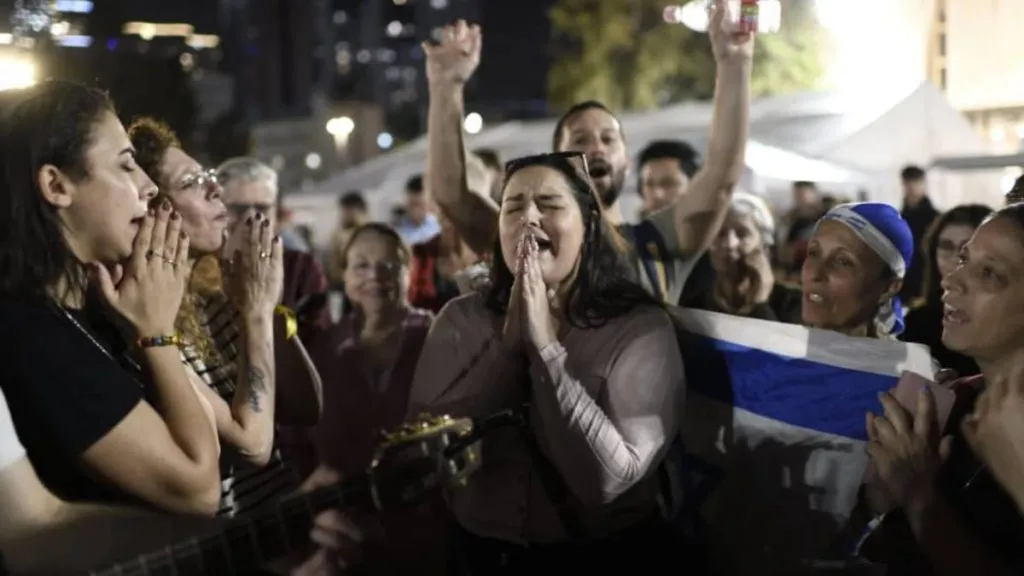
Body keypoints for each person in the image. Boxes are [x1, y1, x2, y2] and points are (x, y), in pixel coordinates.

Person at [407, 152, 683, 573]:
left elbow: (608, 482)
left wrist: (546, 351)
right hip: (481, 554)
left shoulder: (640, 328)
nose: (529, 218)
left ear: (588, 226)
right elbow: (421, 453)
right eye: (513, 208)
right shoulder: (461, 319)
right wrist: (506, 351)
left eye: (549, 205)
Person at [424, 2, 751, 305]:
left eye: (608, 139)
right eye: (580, 140)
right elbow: (452, 195)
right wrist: (445, 87)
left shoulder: (661, 243)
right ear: (556, 163)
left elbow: (721, 176)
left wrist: (734, 63)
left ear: (627, 161)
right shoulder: (528, 239)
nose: (596, 148)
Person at [0, 80, 221, 515]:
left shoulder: (94, 312)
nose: (149, 186)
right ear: (56, 185)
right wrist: (157, 334)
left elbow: (229, 445)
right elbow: (198, 490)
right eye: (126, 165)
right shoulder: (31, 335)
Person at [128, 121, 323, 518]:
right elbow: (251, 447)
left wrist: (271, 309)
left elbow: (306, 407)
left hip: (282, 524)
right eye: (191, 182)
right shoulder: (148, 322)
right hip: (229, 541)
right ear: (153, 210)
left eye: (208, 176)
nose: (215, 189)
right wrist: (256, 313)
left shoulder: (216, 296)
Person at [860, 203, 1024, 574]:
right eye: (963, 259)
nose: (951, 280)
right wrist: (882, 498)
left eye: (989, 273)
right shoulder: (949, 404)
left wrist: (920, 496)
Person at [289, 223, 447, 575]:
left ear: (409, 272)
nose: (375, 276)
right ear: (343, 275)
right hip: (340, 543)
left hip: (429, 543)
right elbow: (297, 445)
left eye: (389, 265)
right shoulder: (320, 351)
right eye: (361, 265)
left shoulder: (439, 335)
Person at [901, 204, 992, 378]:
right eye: (946, 246)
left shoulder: (1002, 317)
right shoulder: (917, 322)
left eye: (965, 249)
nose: (956, 257)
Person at [682, 191, 801, 323]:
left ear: (764, 245)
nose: (729, 244)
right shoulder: (694, 304)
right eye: (720, 234)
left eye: (742, 234)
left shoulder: (790, 303)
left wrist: (760, 303)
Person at [800, 202, 913, 338]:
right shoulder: (783, 342)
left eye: (842, 261)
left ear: (888, 288)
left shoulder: (906, 353)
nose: (815, 273)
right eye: (813, 253)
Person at [898, 165, 939, 302]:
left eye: (916, 182)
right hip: (905, 283)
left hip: (929, 282)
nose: (912, 187)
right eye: (908, 183)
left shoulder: (935, 218)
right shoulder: (899, 219)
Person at [327, 191, 369, 288]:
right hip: (344, 285)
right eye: (343, 210)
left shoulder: (371, 233)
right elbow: (334, 265)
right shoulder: (338, 234)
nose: (344, 214)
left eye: (347, 210)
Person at [395, 175, 442, 246]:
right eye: (413, 205)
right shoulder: (398, 230)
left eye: (418, 205)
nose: (416, 212)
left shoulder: (438, 229)